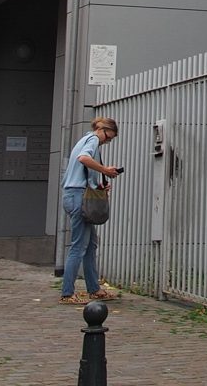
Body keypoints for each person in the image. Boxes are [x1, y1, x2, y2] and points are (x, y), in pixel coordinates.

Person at [60, 116, 122, 304]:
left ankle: (94, 289)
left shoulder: (84, 139)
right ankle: (67, 294)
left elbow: (83, 170)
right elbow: (84, 159)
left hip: (74, 194)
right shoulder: (93, 140)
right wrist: (105, 170)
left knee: (91, 244)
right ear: (103, 130)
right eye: (109, 137)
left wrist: (99, 183)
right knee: (78, 246)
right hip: (78, 196)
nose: (107, 141)